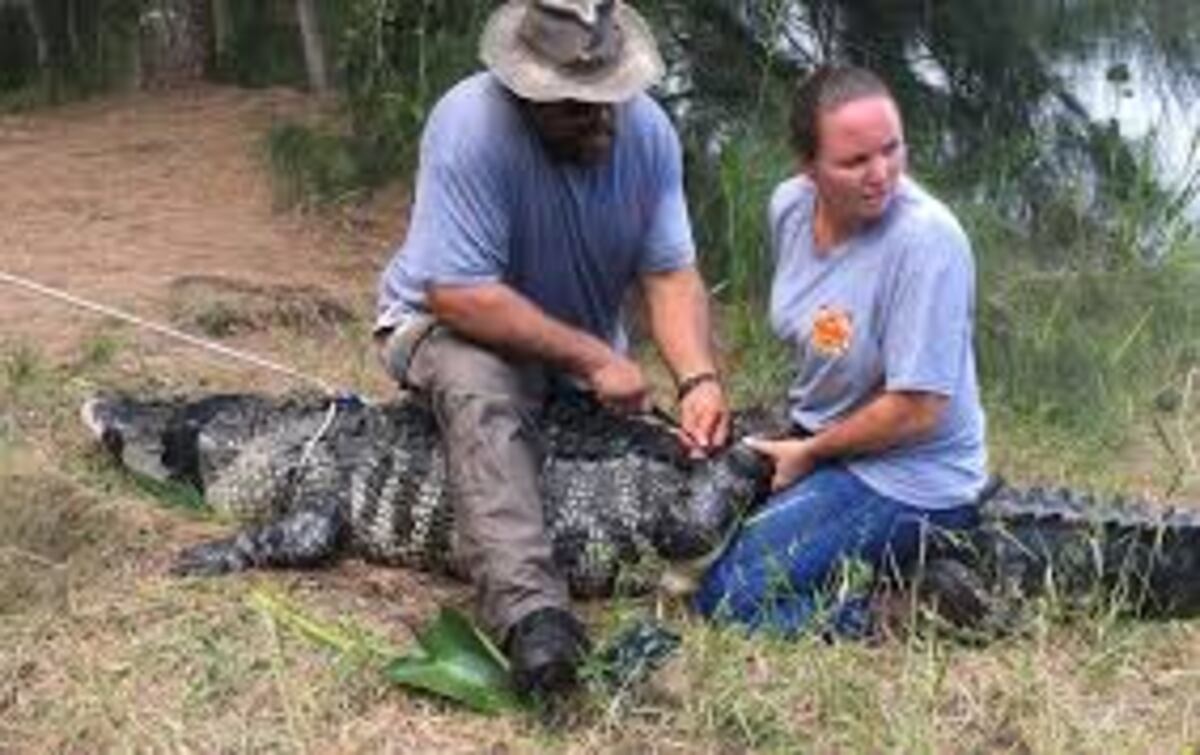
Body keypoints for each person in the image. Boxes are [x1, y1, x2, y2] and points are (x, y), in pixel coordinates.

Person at [375, 0, 730, 696]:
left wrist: (698, 379)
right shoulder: (469, 125)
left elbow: (668, 273)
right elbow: (458, 294)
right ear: (525, 92)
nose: (599, 117)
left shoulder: (650, 132)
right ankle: (531, 616)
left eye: (608, 97)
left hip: (570, 356)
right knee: (484, 380)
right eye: (574, 105)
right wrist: (595, 358)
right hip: (445, 327)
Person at [694, 66, 988, 637]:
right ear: (808, 167)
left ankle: (901, 609)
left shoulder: (927, 241)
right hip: (823, 440)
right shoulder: (789, 207)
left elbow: (918, 409)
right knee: (706, 532)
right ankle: (855, 560)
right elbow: (822, 334)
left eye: (892, 149)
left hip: (908, 472)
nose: (881, 174)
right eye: (854, 161)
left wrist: (811, 453)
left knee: (729, 597)